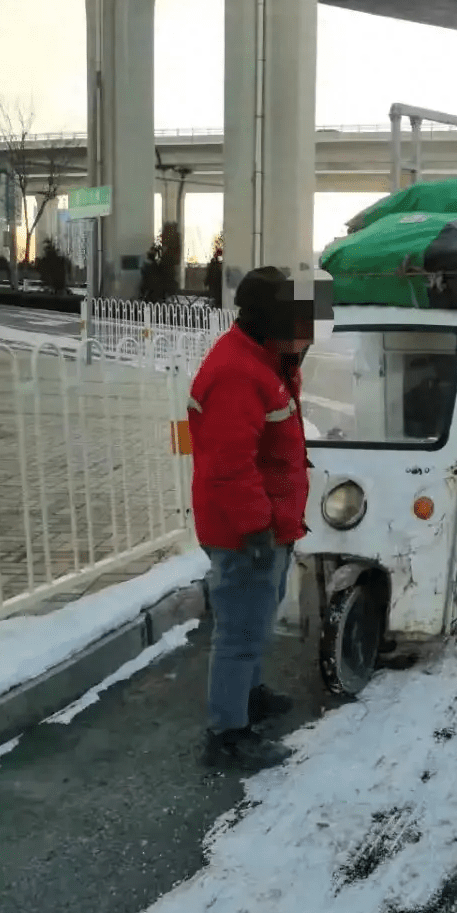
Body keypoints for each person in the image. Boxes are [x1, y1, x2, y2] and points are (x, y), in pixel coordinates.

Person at [189, 266, 313, 770]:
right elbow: (229, 464)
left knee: (256, 618)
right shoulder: (239, 373)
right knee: (239, 632)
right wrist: (255, 526)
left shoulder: (265, 359)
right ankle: (227, 735)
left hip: (270, 521)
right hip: (246, 530)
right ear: (269, 320)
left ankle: (249, 696)